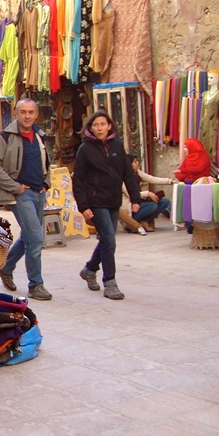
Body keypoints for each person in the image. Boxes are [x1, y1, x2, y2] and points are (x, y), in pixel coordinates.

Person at [72, 110, 142, 300]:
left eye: (103, 124)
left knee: (105, 241)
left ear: (109, 126)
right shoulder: (85, 149)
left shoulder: (117, 147)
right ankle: (110, 282)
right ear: (91, 128)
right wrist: (83, 205)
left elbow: (128, 173)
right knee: (110, 240)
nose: (99, 128)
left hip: (113, 200)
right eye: (96, 125)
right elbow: (78, 180)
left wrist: (135, 198)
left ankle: (89, 269)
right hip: (95, 201)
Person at [0, 97, 52, 300]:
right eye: (23, 112)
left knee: (28, 237)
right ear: (16, 113)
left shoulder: (39, 135)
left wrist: (46, 183)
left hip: (38, 193)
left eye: (31, 112)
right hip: (20, 195)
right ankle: (36, 284)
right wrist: (15, 187)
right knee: (36, 239)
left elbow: (45, 161)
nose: (27, 116)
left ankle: (6, 268)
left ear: (36, 114)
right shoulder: (5, 136)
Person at [119, 155, 174, 234]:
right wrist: (148, 193)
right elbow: (129, 193)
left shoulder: (137, 173)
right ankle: (131, 223)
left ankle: (144, 221)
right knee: (152, 206)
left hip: (139, 201)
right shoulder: (122, 176)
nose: (138, 163)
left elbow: (152, 179)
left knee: (164, 202)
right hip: (130, 204)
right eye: (135, 162)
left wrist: (170, 181)